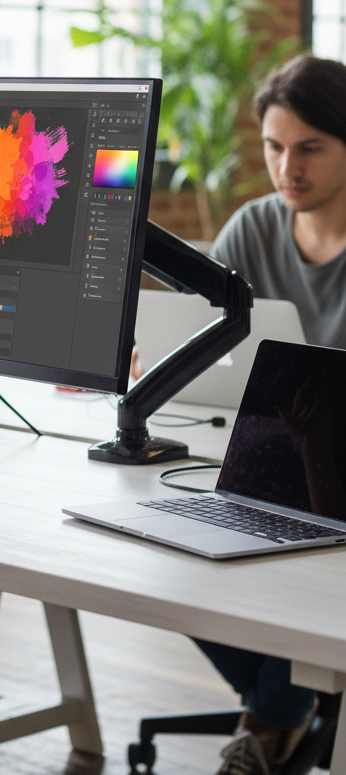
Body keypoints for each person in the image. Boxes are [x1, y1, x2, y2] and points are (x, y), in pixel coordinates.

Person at [197, 54, 346, 775]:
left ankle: (271, 718)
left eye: (310, 147)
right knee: (163, 554)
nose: (288, 168)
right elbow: (201, 347)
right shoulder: (251, 230)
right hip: (255, 456)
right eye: (274, 147)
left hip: (338, 476)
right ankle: (285, 703)